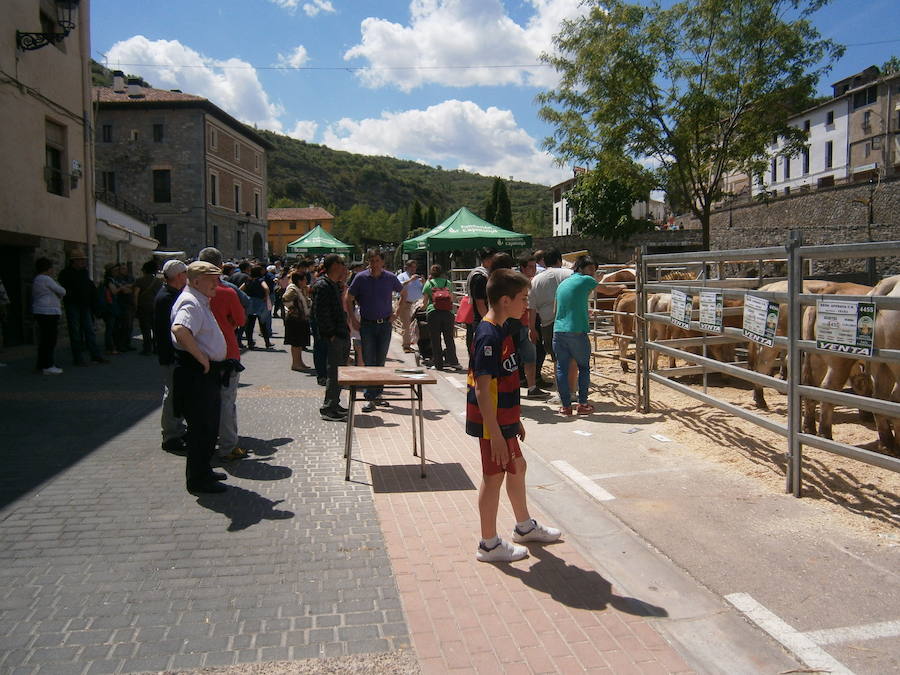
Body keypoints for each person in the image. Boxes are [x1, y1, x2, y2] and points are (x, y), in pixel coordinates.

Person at [466, 268, 560, 562]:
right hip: (489, 424)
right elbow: (482, 389)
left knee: (517, 466)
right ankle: (489, 544)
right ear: (505, 301)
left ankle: (524, 526)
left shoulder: (502, 329)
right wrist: (494, 432)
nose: (526, 305)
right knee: (493, 478)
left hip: (502, 419)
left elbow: (501, 381)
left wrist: (513, 419)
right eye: (522, 298)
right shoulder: (488, 335)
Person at [171, 261, 229, 494]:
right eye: (211, 279)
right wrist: (202, 358)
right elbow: (180, 329)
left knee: (208, 426)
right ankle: (198, 478)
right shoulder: (191, 302)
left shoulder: (199, 299)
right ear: (196, 282)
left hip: (204, 374)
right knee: (201, 428)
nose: (216, 283)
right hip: (197, 374)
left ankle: (203, 470)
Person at [199, 247, 248, 463]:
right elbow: (241, 320)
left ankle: (203, 444)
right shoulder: (227, 292)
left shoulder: (189, 292)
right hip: (227, 352)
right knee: (227, 401)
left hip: (198, 353)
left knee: (202, 401)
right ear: (220, 267)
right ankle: (228, 445)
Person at [346, 248, 406, 413]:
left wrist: (397, 314)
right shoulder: (360, 278)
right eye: (371, 261)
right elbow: (348, 298)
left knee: (380, 361)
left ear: (383, 262)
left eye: (377, 261)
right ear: (368, 262)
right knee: (369, 360)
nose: (374, 264)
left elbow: (404, 293)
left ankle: (377, 394)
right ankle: (370, 397)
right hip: (367, 325)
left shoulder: (390, 278)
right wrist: (352, 319)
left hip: (385, 325)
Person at [553, 255, 602, 416]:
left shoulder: (563, 284)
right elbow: (607, 289)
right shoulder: (585, 280)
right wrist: (624, 287)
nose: (593, 273)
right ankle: (582, 404)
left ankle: (566, 406)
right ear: (580, 268)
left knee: (561, 368)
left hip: (558, 330)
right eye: (590, 269)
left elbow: (559, 309)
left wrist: (583, 313)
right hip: (576, 332)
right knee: (584, 367)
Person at [154, 260, 189, 454]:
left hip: (171, 354)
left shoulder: (171, 294)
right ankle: (170, 436)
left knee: (177, 394)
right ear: (178, 276)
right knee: (172, 395)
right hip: (170, 355)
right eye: (185, 273)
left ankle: (176, 429)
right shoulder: (167, 298)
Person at [529, 248, 574, 394]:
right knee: (572, 359)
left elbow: (532, 307)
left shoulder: (536, 279)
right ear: (559, 260)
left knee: (557, 360)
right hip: (570, 321)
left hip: (548, 324)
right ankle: (572, 391)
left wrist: (532, 328)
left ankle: (562, 392)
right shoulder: (570, 275)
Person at [311, 254, 350, 422]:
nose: (344, 267)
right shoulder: (323, 285)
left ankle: (334, 403)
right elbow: (320, 313)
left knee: (339, 372)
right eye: (341, 263)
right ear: (334, 265)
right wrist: (331, 335)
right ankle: (328, 408)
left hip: (340, 333)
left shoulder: (333, 284)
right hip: (334, 336)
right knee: (334, 373)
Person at [58, 248, 106, 366]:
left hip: (85, 306)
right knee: (75, 333)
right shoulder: (65, 274)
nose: (83, 262)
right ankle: (78, 358)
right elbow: (65, 290)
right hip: (73, 305)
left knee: (89, 331)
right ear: (74, 261)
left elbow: (90, 288)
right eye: (81, 260)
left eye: (83, 260)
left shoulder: (84, 273)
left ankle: (95, 356)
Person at [514, 255, 549, 400]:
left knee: (532, 356)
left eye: (535, 266)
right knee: (521, 356)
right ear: (522, 267)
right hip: (520, 323)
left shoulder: (531, 282)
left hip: (528, 322)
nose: (534, 269)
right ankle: (525, 385)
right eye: (530, 267)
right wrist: (531, 327)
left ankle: (532, 386)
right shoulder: (519, 283)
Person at [421, 264, 461, 371]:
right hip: (448, 313)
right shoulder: (448, 283)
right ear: (441, 273)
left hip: (433, 312)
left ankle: (438, 364)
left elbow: (424, 303)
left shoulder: (428, 284)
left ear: (431, 274)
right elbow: (453, 299)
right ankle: (454, 362)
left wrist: (420, 308)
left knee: (435, 339)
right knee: (449, 338)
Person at [32, 257, 66, 375]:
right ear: (48, 268)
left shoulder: (37, 279)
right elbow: (62, 291)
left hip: (40, 311)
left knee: (44, 340)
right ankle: (48, 365)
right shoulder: (46, 279)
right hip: (48, 312)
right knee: (50, 339)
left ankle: (41, 364)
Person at [465, 248, 497, 354]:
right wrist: (488, 321)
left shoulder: (487, 275)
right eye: (494, 259)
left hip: (484, 319)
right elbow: (480, 303)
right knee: (484, 351)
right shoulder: (480, 277)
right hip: (482, 320)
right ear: (487, 260)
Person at [133, 260, 163, 355]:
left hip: (143, 307)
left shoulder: (140, 281)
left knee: (145, 329)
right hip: (155, 307)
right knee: (155, 328)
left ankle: (147, 348)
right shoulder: (159, 282)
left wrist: (135, 306)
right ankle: (156, 348)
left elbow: (136, 294)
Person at [283, 271, 311, 371]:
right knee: (295, 343)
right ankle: (295, 363)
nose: (306, 281)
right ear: (299, 281)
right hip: (294, 319)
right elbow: (285, 299)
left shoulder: (300, 289)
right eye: (304, 279)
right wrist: (293, 309)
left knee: (299, 343)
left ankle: (300, 362)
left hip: (300, 319)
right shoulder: (292, 289)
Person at [241, 265, 273, 350]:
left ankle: (250, 342)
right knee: (262, 323)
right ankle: (267, 342)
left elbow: (240, 289)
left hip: (250, 302)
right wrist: (266, 297)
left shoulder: (248, 280)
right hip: (259, 303)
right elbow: (266, 288)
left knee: (250, 324)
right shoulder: (260, 280)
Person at [396, 259, 424, 353]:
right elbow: (399, 286)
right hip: (405, 303)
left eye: (415, 267)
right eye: (411, 267)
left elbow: (422, 290)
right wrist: (410, 280)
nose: (413, 269)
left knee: (417, 325)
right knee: (406, 325)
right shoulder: (402, 276)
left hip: (416, 304)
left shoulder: (417, 278)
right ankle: (406, 346)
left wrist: (423, 283)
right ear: (406, 267)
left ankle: (416, 343)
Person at [112, 263, 135, 352]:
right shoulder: (117, 279)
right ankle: (120, 345)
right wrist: (126, 287)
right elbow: (125, 290)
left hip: (130, 304)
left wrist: (127, 287)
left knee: (129, 326)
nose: (124, 270)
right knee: (123, 326)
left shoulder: (130, 278)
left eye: (125, 268)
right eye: (122, 269)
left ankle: (127, 344)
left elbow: (133, 287)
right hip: (121, 304)